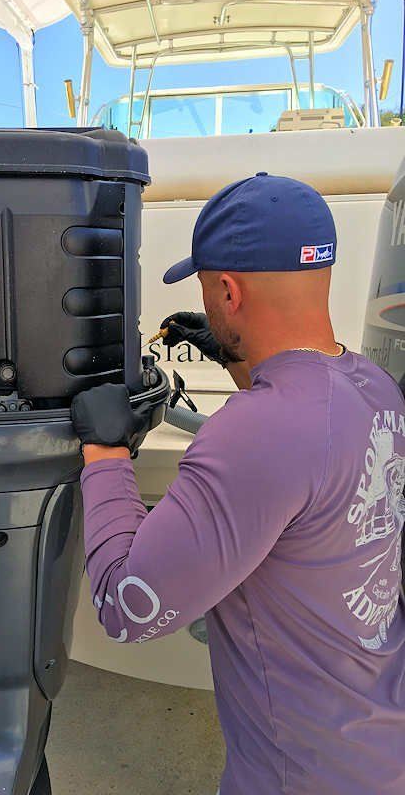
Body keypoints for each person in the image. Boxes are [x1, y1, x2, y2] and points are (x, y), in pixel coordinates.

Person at [71, 173, 405, 795]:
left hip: (301, 779)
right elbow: (301, 446)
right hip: (379, 746)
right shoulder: (373, 387)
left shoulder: (254, 433)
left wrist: (106, 453)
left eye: (206, 286)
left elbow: (126, 609)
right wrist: (238, 357)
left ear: (228, 290)